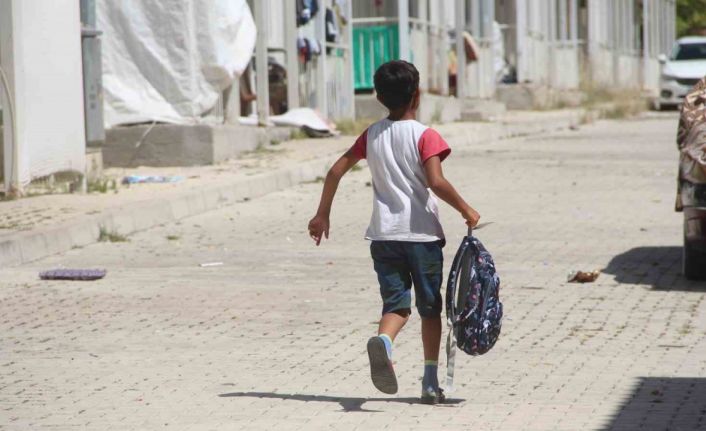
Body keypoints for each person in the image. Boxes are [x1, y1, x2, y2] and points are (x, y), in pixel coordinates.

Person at [307, 60, 480, 404]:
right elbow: (435, 181)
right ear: (417, 95)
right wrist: (466, 209)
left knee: (396, 305)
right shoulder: (425, 135)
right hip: (422, 236)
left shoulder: (371, 135)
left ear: (378, 97)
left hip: (384, 236)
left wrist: (322, 214)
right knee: (429, 309)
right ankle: (429, 382)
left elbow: (335, 171)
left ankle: (384, 342)